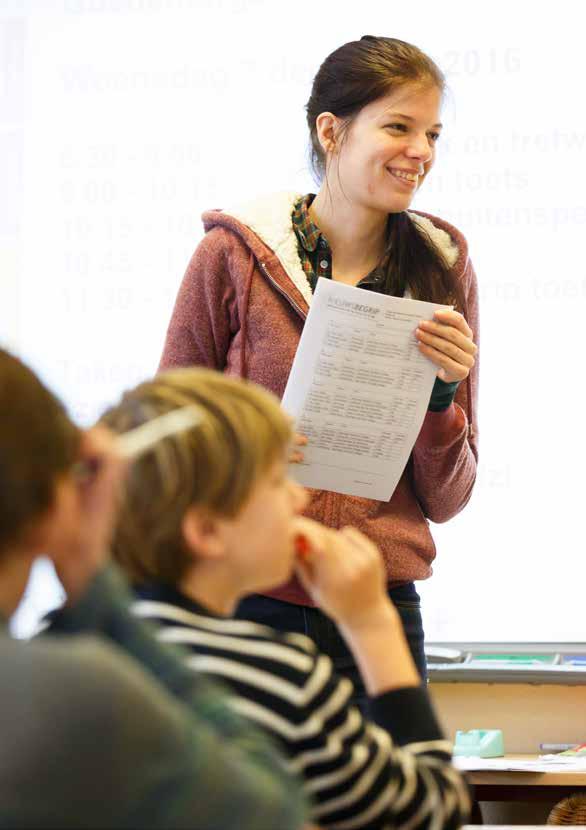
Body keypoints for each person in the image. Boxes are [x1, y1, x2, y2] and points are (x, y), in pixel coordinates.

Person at [158, 36, 479, 684]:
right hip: (246, 600)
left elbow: (448, 499)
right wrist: (248, 451)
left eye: (433, 134)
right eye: (399, 127)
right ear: (331, 132)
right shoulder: (233, 256)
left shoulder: (444, 267)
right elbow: (162, 445)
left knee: (388, 788)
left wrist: (442, 400)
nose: (421, 152)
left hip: (379, 604)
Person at [97, 366, 471, 829]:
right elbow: (434, 813)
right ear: (207, 531)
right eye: (277, 482)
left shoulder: (70, 648)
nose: (298, 501)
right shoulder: (281, 677)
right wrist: (372, 625)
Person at [0, 347, 307, 829]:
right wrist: (92, 576)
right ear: (54, 508)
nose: (299, 496)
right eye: (277, 480)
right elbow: (273, 813)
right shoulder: (70, 690)